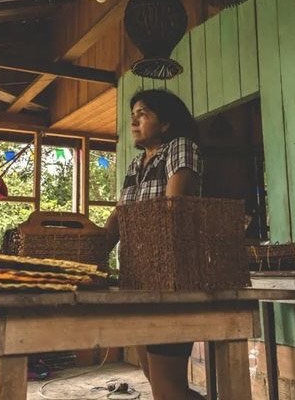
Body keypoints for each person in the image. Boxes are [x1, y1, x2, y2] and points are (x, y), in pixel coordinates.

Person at [105, 89, 204, 400]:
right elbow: (121, 215)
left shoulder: (180, 148)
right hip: (137, 277)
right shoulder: (137, 164)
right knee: (153, 375)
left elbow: (173, 206)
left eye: (143, 114)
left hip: (171, 276)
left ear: (166, 124)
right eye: (133, 115)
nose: (134, 121)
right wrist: (93, 249)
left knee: (167, 388)